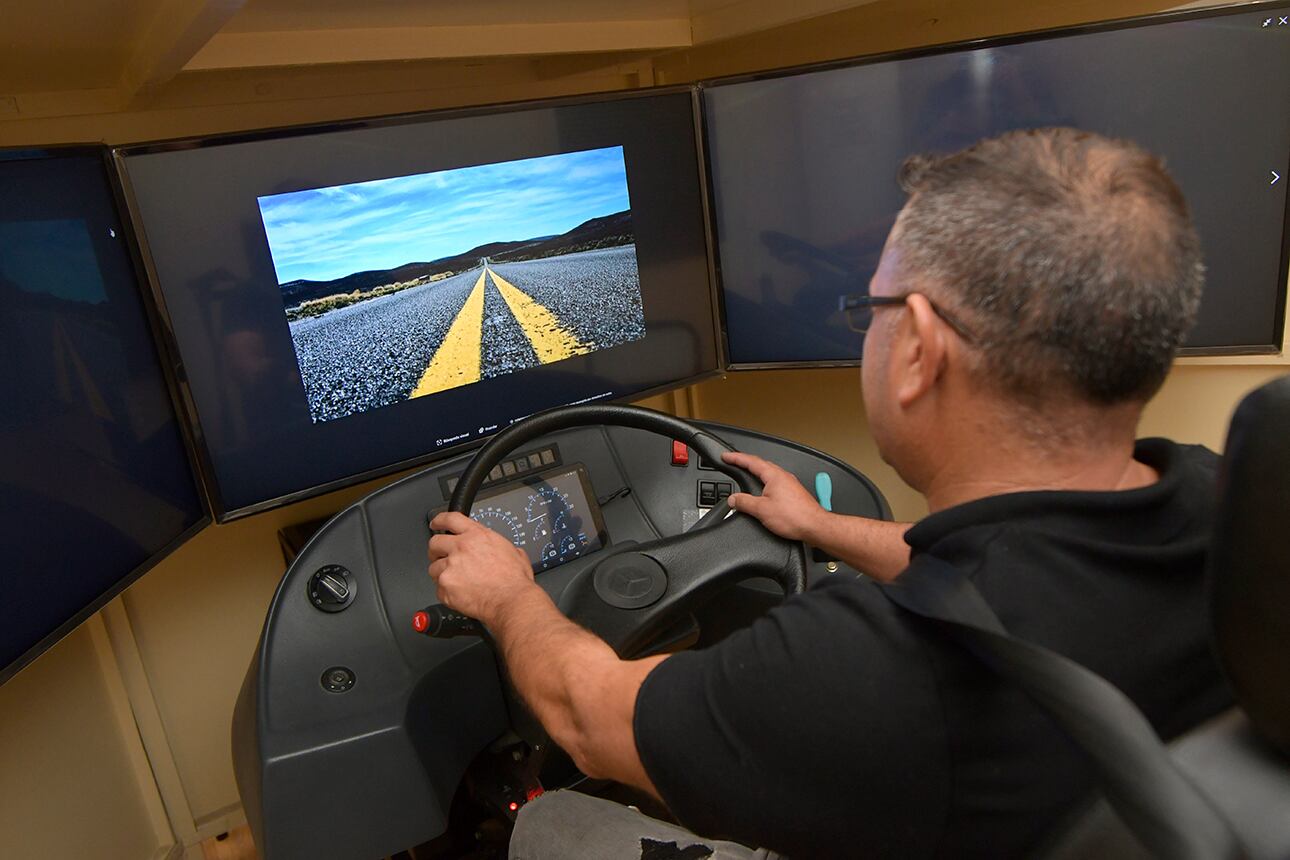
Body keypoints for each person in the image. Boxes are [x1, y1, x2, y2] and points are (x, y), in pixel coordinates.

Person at [427, 128, 1234, 859]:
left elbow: (583, 719)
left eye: (870, 310)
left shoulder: (863, 670)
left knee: (553, 826)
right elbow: (1014, 566)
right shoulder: (1225, 502)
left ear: (918, 348)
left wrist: (506, 597)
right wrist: (822, 527)